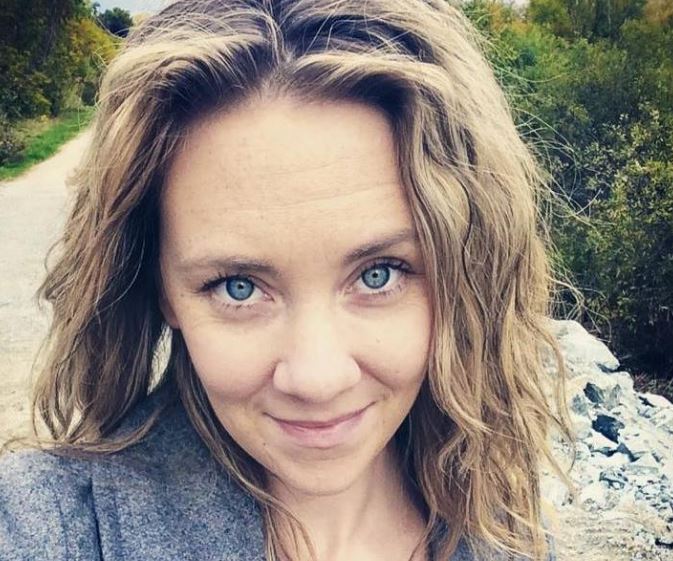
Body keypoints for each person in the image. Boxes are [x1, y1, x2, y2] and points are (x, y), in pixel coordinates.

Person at [0, 0, 576, 560]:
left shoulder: (511, 534)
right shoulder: (49, 528)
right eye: (238, 286)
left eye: (378, 275)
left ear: (462, 268)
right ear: (161, 287)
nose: (317, 379)